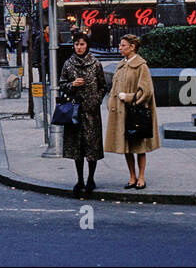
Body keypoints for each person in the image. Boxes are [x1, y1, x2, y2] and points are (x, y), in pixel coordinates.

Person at [104, 34, 158, 189]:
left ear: (132, 47)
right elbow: (114, 88)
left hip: (136, 113)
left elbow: (146, 91)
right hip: (122, 113)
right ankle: (132, 176)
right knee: (126, 146)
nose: (120, 48)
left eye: (123, 45)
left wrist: (127, 97)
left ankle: (141, 177)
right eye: (120, 45)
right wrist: (111, 103)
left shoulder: (141, 66)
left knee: (139, 146)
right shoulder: (121, 65)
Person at [60, 33, 107, 195]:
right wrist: (72, 84)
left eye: (82, 44)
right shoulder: (68, 64)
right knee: (76, 147)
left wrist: (97, 100)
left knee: (92, 147)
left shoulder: (95, 64)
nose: (79, 47)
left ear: (87, 45)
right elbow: (62, 85)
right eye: (76, 44)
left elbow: (103, 86)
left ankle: (91, 179)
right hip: (74, 111)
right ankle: (79, 179)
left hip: (91, 112)